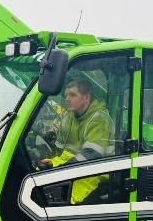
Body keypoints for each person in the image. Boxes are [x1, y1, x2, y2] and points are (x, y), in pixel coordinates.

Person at [40, 76, 114, 204]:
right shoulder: (69, 117)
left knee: (65, 195)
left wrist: (60, 170)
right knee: (38, 172)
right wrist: (50, 162)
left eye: (72, 95)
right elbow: (60, 149)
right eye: (66, 95)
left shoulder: (99, 119)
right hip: (73, 166)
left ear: (86, 97)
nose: (67, 99)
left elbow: (92, 155)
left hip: (96, 171)